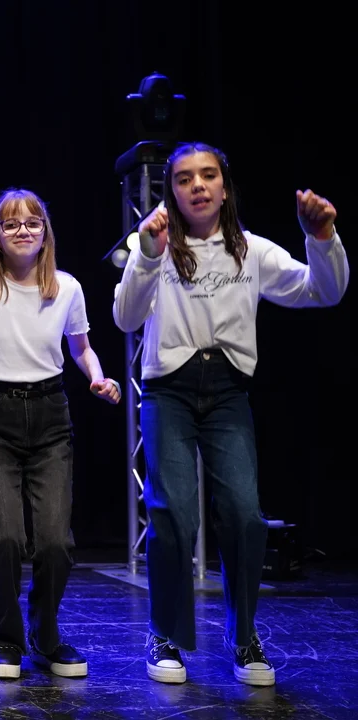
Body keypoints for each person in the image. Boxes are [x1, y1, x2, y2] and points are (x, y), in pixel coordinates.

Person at [113, 142, 349, 686]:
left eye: (208, 176)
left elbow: (324, 291)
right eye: (184, 179)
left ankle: (243, 636)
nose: (197, 186)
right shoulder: (154, 246)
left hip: (227, 393)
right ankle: (165, 634)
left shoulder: (253, 251)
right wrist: (146, 255)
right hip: (169, 392)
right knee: (173, 513)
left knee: (244, 514)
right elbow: (125, 319)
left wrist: (322, 238)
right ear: (171, 192)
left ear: (224, 188)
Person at [0, 188, 120, 680]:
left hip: (50, 415)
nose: (23, 230)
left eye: (32, 222)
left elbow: (82, 348)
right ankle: (4, 637)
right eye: (11, 223)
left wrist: (97, 376)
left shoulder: (66, 288)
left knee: (56, 541)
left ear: (45, 232)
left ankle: (45, 631)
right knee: (6, 538)